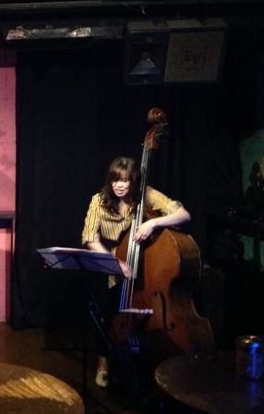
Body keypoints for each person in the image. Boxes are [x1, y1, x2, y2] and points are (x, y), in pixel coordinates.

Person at [81, 157, 190, 388]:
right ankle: (104, 362)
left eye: (125, 180)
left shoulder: (145, 194)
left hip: (141, 261)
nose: (119, 185)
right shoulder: (99, 200)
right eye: (115, 180)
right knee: (107, 312)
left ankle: (149, 361)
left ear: (133, 181)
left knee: (142, 310)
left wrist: (153, 224)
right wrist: (114, 262)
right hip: (108, 259)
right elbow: (90, 238)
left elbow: (184, 215)